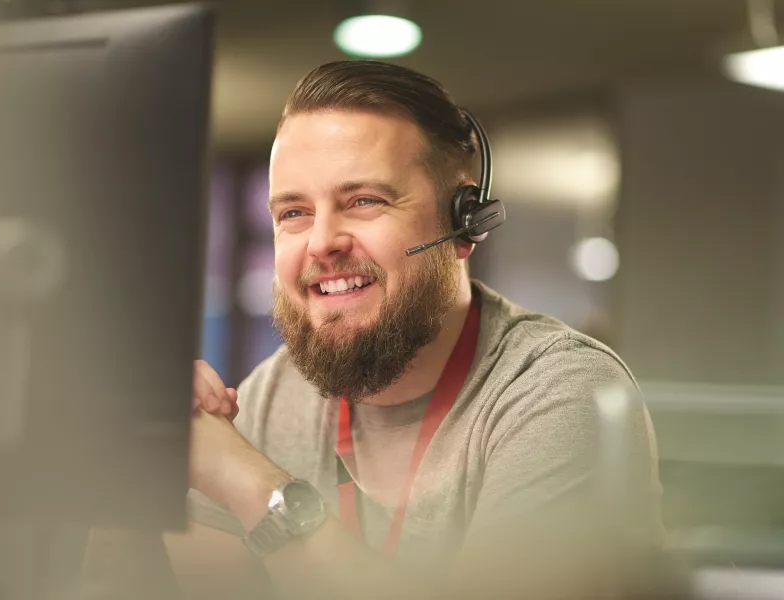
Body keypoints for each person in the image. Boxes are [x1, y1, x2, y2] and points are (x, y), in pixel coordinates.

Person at [87, 60, 665, 600]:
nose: (321, 242)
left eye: (363, 201)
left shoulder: (560, 394)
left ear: (463, 225)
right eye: (293, 213)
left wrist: (246, 480)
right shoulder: (272, 394)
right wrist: (139, 461)